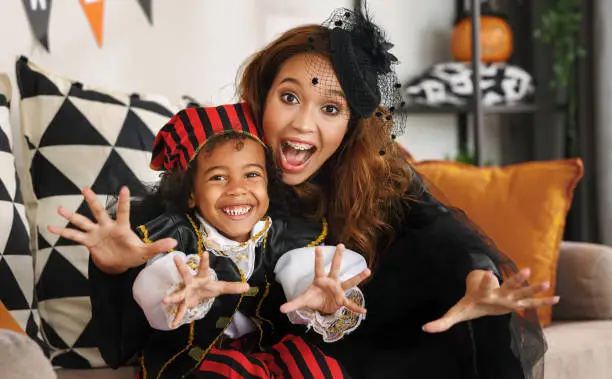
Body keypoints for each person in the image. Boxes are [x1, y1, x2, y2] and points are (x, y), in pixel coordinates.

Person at [50, 6, 553, 379]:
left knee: (477, 318)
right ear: (261, 96)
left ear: (352, 124)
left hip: (371, 341)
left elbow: (442, 229)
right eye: (289, 97)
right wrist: (118, 266)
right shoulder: (222, 170)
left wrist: (478, 274)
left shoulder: (379, 173)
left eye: (330, 109)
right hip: (275, 352)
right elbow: (146, 286)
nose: (303, 125)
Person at [51, 102, 370, 378]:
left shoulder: (283, 233)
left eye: (252, 174)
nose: (237, 188)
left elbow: (303, 273)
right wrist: (179, 293)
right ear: (190, 192)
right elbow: (157, 282)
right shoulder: (175, 236)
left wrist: (320, 299)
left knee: (310, 362)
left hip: (266, 348)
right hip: (194, 358)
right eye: (218, 177)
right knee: (228, 370)